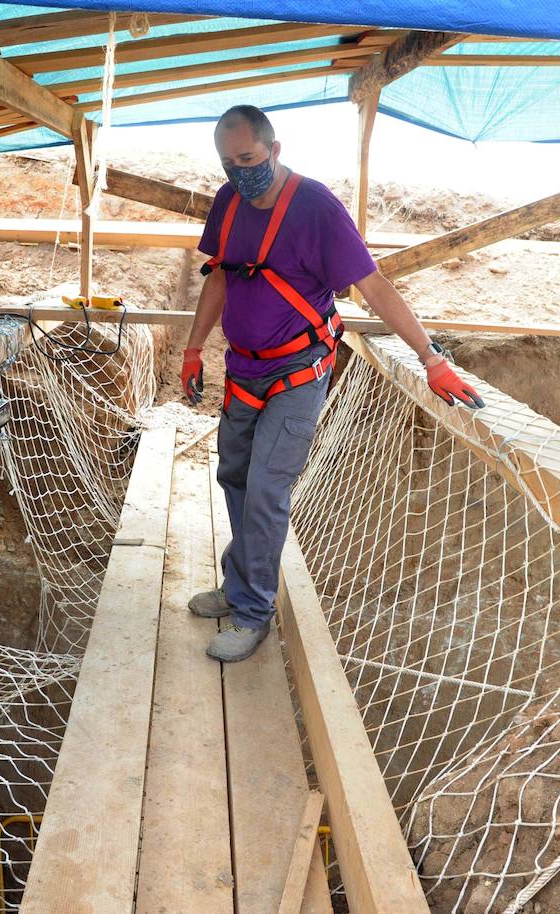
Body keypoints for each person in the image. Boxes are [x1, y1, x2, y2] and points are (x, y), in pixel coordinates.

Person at [183, 104, 484, 663]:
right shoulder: (228, 203)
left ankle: (253, 614)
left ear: (274, 150)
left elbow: (373, 285)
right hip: (244, 370)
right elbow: (221, 277)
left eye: (247, 158)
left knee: (268, 490)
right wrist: (195, 348)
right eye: (228, 163)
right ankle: (238, 583)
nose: (238, 172)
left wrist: (431, 358)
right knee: (236, 478)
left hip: (298, 373)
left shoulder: (316, 207)